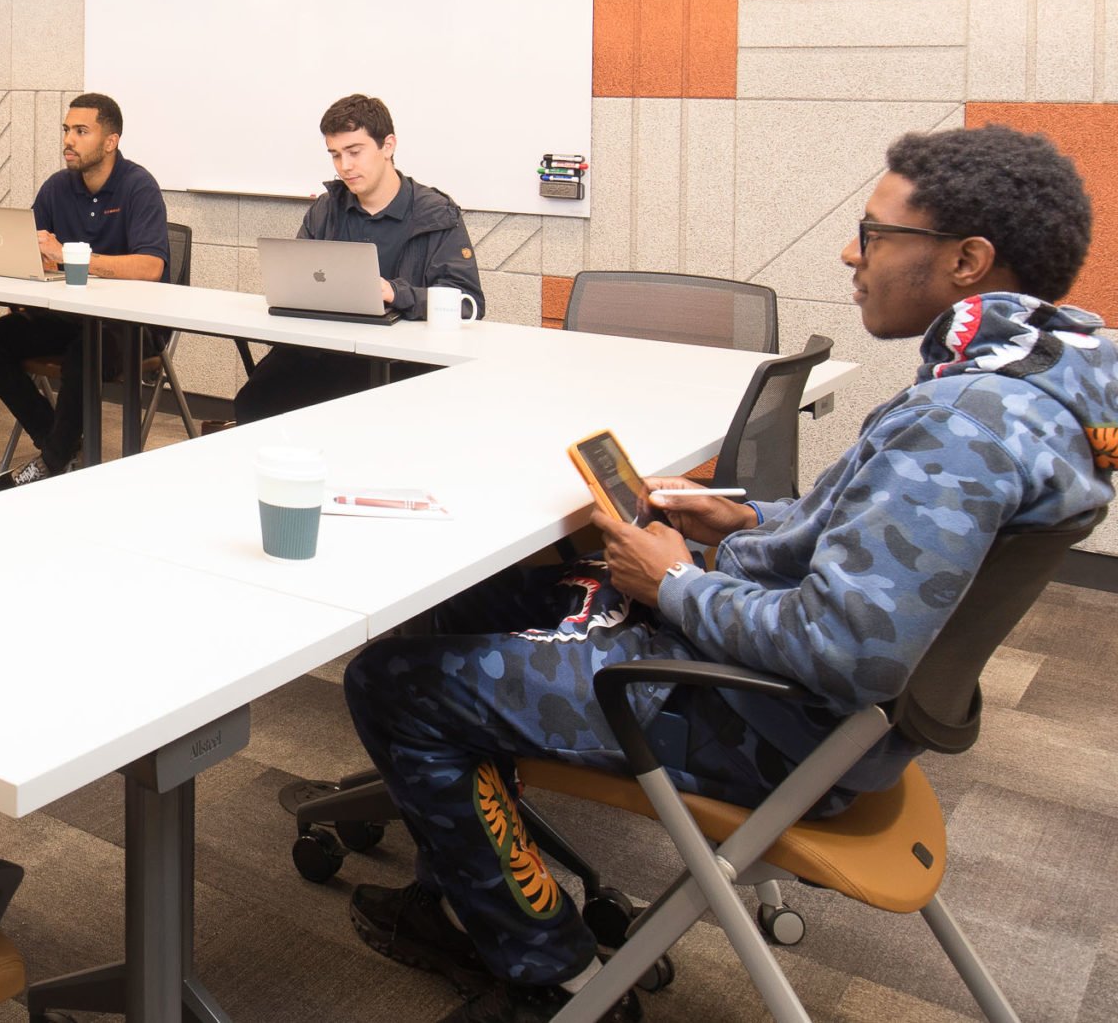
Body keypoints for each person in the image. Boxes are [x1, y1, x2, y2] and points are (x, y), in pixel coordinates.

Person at [341, 124, 1115, 1023]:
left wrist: (674, 584)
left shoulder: (964, 425)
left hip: (766, 721)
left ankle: (547, 971)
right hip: (804, 703)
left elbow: (849, 647)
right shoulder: (1024, 388)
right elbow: (874, 543)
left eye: (873, 235)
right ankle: (458, 898)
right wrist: (746, 520)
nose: (847, 252)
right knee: (469, 601)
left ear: (969, 261)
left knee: (396, 684)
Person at [233, 93, 484, 424]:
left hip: (400, 365)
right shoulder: (327, 208)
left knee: (355, 418)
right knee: (254, 401)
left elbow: (469, 304)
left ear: (388, 146)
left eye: (354, 152)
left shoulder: (435, 214)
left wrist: (396, 294)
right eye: (335, 155)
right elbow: (299, 279)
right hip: (325, 355)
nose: (344, 166)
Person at [0, 92, 169, 492]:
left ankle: (52, 461)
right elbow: (32, 250)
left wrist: (69, 257)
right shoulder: (57, 187)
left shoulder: (138, 186)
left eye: (81, 131)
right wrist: (32, 259)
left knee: (86, 350)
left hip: (130, 325)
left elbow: (152, 267)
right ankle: (59, 442)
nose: (69, 140)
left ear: (110, 141)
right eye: (66, 130)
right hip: (68, 316)